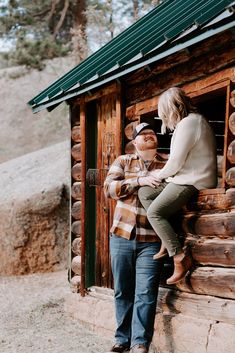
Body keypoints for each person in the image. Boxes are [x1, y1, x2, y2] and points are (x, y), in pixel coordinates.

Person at [138, 87, 217, 285]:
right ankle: (166, 239)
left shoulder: (190, 123)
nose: (164, 118)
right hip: (184, 177)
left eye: (164, 113)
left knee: (155, 212)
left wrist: (158, 174)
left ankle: (179, 257)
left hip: (193, 179)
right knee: (145, 192)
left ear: (172, 108)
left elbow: (175, 164)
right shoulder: (189, 122)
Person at [104, 122, 167, 353]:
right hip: (121, 236)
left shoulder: (167, 165)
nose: (149, 136)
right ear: (135, 142)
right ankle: (122, 339)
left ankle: (139, 343)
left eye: (152, 133)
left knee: (146, 293)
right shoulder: (123, 161)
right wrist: (138, 181)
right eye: (143, 134)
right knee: (122, 289)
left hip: (151, 241)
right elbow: (109, 189)